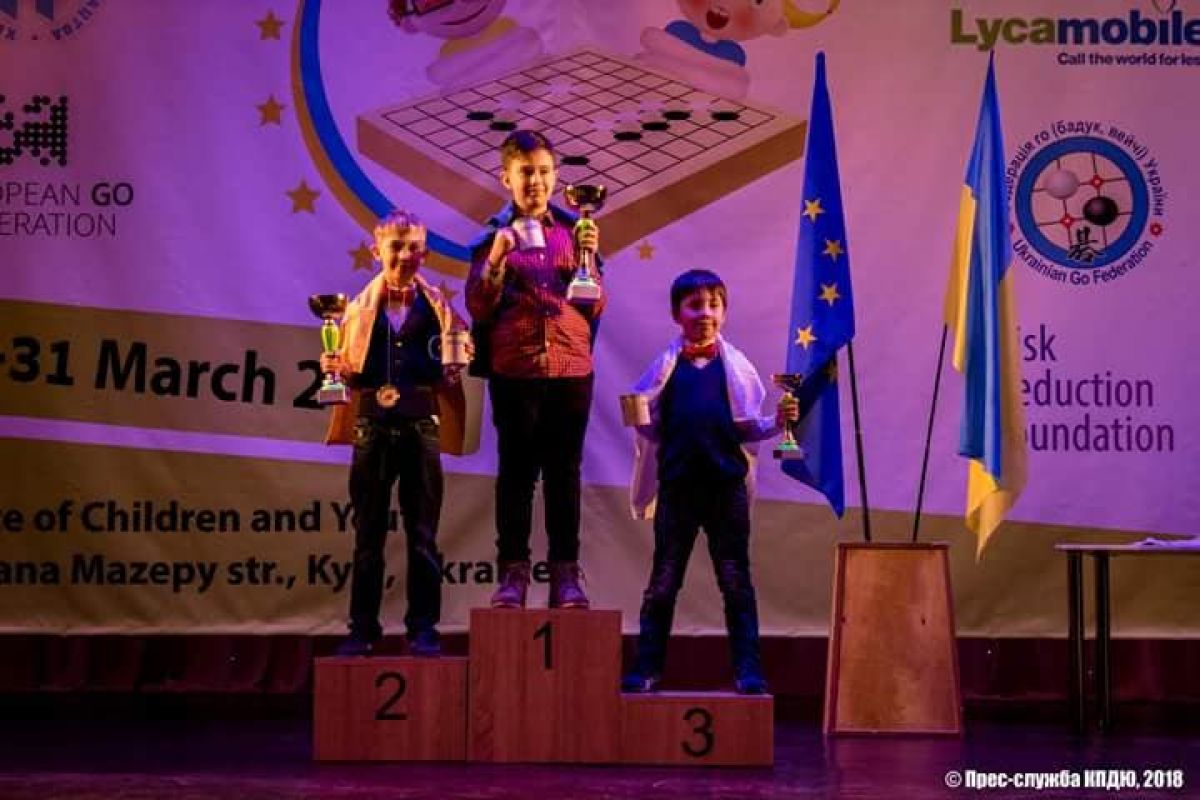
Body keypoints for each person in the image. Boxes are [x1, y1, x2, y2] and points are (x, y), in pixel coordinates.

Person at [621, 269, 798, 694]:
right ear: (676, 314)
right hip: (678, 488)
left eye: (714, 305)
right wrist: (637, 417)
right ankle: (646, 669)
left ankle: (748, 672)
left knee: (736, 583)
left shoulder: (737, 368)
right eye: (695, 305)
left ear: (725, 312)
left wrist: (778, 423)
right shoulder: (665, 369)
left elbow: (748, 427)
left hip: (725, 489)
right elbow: (649, 426)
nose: (705, 313)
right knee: (663, 583)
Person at [464, 129, 603, 610]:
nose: (536, 181)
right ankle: (513, 576)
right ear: (507, 178)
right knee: (517, 477)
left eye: (544, 172)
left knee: (565, 476)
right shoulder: (491, 238)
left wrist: (589, 259)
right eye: (526, 172)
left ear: (556, 176)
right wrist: (497, 260)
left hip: (570, 369)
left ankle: (566, 577)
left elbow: (594, 305)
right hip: (516, 371)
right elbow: (479, 307)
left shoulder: (574, 231)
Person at [322, 209, 470, 657]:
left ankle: (423, 629)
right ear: (377, 251)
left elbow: (460, 351)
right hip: (371, 427)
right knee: (367, 536)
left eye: (414, 248)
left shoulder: (440, 307)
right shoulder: (355, 310)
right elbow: (348, 369)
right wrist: (334, 366)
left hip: (422, 426)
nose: (405, 255)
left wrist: (462, 357)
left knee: (423, 536)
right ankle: (362, 630)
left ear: (425, 253)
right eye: (396, 247)